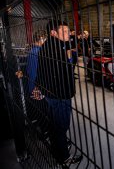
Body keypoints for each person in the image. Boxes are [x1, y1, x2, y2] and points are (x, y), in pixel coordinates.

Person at [35, 20, 82, 167]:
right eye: (65, 32)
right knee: (61, 126)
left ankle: (57, 147)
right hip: (60, 95)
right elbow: (65, 68)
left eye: (69, 31)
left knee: (56, 124)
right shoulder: (56, 50)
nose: (68, 34)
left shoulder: (47, 46)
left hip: (52, 93)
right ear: (53, 33)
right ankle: (63, 157)